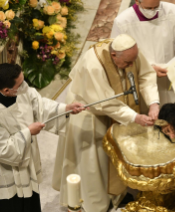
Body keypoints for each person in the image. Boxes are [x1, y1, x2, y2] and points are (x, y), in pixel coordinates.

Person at [52, 34, 160, 212]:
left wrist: (153, 103)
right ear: (113, 56)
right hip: (90, 110)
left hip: (116, 109)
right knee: (94, 161)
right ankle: (94, 202)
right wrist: (135, 117)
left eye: (132, 61)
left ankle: (117, 193)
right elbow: (105, 102)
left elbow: (146, 76)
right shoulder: (93, 64)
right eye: (127, 63)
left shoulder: (129, 52)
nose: (130, 66)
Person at [0, 63, 85, 212]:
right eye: (20, 84)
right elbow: (3, 149)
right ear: (6, 90)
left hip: (27, 161)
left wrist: (66, 108)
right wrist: (28, 132)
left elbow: (41, 106)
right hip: (8, 172)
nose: (25, 86)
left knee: (31, 201)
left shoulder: (22, 91)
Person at [111, 0, 175, 105]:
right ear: (137, 1)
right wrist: (148, 69)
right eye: (149, 8)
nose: (153, 11)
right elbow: (118, 57)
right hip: (143, 82)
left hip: (170, 78)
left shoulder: (172, 11)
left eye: (156, 7)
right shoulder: (122, 22)